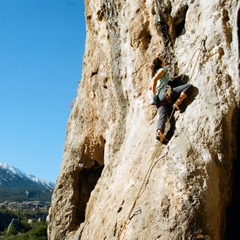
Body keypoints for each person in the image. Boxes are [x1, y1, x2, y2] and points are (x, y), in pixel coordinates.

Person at [150, 57, 193, 143]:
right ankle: (178, 102)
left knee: (162, 116)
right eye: (162, 60)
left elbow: (150, 85)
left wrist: (154, 95)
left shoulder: (153, 76)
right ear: (161, 63)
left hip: (159, 99)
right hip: (165, 91)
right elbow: (155, 81)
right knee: (189, 87)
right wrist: (154, 93)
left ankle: (159, 132)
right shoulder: (162, 70)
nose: (164, 60)